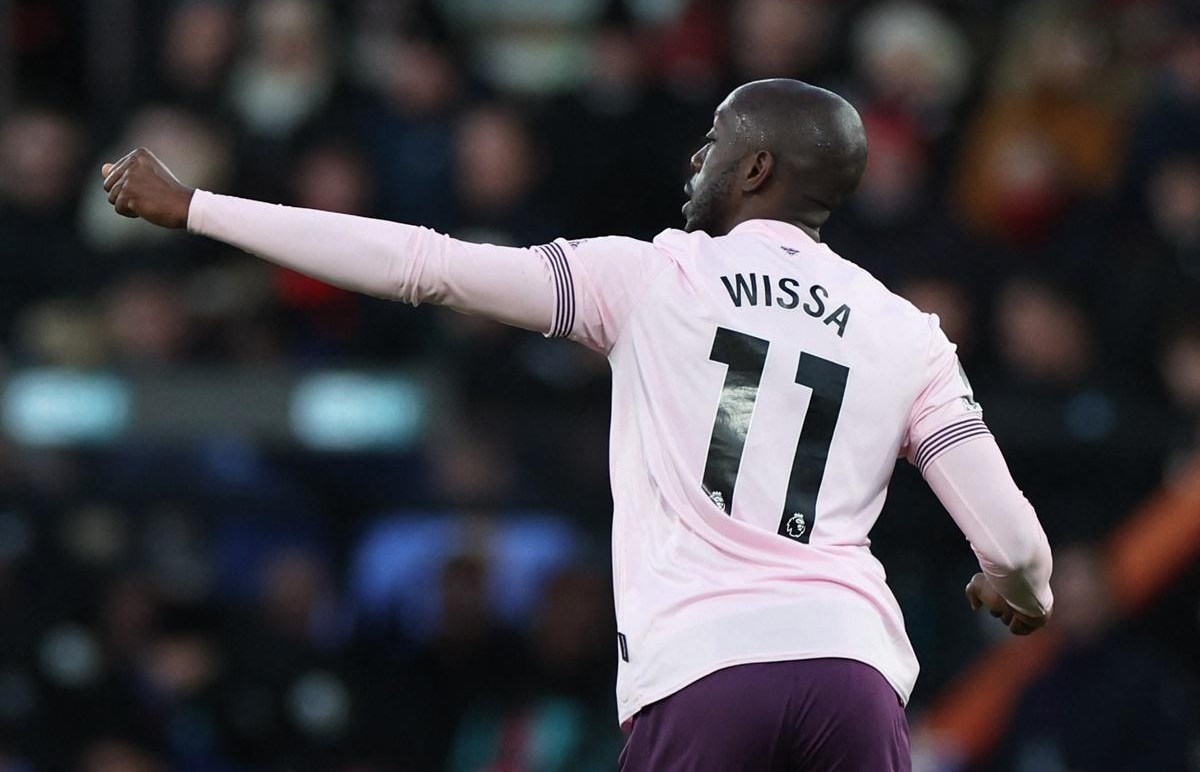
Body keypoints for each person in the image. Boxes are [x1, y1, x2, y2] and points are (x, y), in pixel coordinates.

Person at [99, 78, 1054, 772]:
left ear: (758, 166)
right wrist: (1022, 594)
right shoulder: (907, 332)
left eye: (716, 139)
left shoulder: (650, 277)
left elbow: (422, 265)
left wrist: (199, 208)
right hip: (853, 671)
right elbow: (1013, 543)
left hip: (705, 668)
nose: (697, 158)